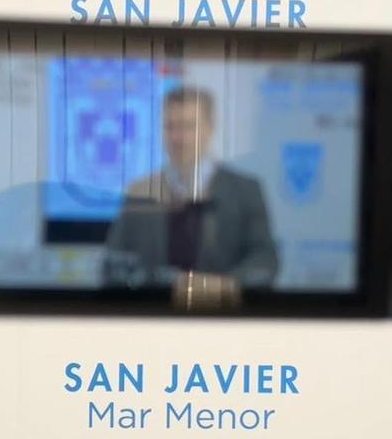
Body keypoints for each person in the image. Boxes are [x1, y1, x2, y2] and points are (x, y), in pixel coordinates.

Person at [103, 86, 279, 288]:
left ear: (210, 128)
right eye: (171, 127)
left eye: (189, 126)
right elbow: (113, 263)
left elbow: (265, 262)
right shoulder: (140, 191)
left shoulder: (245, 191)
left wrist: (223, 287)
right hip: (155, 314)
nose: (179, 137)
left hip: (222, 315)